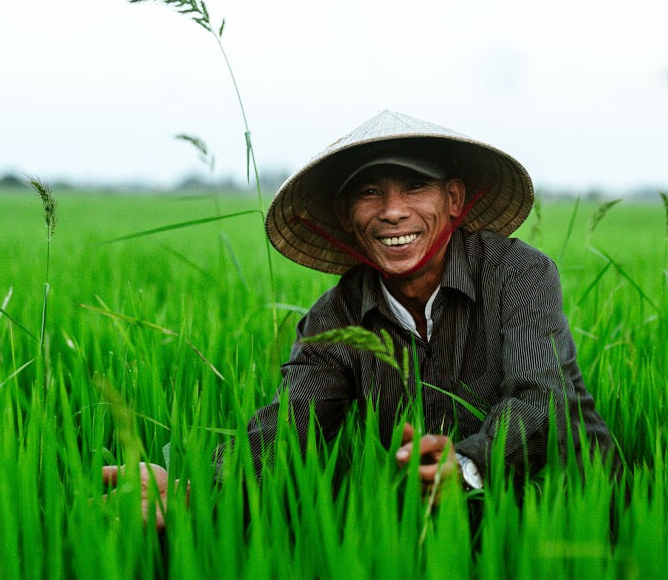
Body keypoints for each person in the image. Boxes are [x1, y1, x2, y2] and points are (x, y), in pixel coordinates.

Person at [103, 110, 616, 524]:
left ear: (454, 199)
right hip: (443, 530)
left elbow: (541, 398)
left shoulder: (517, 272)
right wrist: (199, 486)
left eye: (415, 187)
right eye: (370, 193)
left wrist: (467, 464)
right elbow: (291, 425)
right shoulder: (336, 316)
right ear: (348, 215)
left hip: (572, 510)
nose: (392, 211)